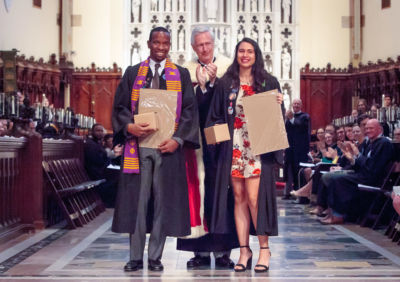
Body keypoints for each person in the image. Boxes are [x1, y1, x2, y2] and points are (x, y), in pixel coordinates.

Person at [111, 27, 199, 272]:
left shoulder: (180, 74)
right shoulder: (132, 73)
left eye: (165, 43)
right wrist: (130, 126)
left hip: (167, 149)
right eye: (157, 42)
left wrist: (178, 140)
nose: (161, 47)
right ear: (149, 43)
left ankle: (155, 257)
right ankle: (136, 257)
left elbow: (190, 112)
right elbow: (119, 107)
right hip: (137, 149)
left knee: (163, 202)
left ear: (170, 44)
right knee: (137, 203)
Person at [206, 37, 283, 273]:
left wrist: (280, 104)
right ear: (236, 53)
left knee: (254, 199)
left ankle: (264, 249)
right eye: (241, 51)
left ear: (256, 55)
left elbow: (276, 120)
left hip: (257, 149)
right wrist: (216, 144)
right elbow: (215, 116)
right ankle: (243, 250)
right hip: (234, 148)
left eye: (250, 51)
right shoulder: (225, 83)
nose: (245, 55)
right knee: (238, 198)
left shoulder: (269, 82)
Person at [177, 26, 236, 269]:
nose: (204, 48)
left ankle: (223, 251)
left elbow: (234, 102)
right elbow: (181, 106)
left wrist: (214, 84)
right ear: (193, 47)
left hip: (221, 140)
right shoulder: (185, 72)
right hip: (196, 142)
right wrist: (200, 88)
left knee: (222, 192)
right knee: (197, 191)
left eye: (208, 43)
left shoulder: (227, 68)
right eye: (199, 44)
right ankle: (199, 251)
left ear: (214, 44)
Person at [320, 119, 394, 224]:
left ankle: (338, 216)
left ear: (379, 129)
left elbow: (372, 168)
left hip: (372, 179)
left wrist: (357, 155)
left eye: (371, 128)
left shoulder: (383, 143)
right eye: (366, 128)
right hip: (364, 174)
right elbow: (362, 164)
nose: (368, 130)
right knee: (333, 176)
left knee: (337, 180)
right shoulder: (372, 142)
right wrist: (353, 159)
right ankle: (333, 213)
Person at [84, 123, 123, 208]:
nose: (100, 133)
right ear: (92, 132)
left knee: (118, 176)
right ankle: (108, 203)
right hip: (94, 172)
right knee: (116, 178)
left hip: (100, 170)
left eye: (101, 130)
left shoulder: (97, 143)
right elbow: (97, 159)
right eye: (97, 130)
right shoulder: (90, 144)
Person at [283, 98, 311, 201]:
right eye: (294, 103)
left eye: (298, 104)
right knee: (288, 170)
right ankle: (288, 193)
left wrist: (291, 119)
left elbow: (301, 127)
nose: (295, 105)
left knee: (297, 171)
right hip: (289, 149)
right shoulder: (289, 117)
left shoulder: (305, 117)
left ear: (301, 105)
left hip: (300, 150)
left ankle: (299, 193)